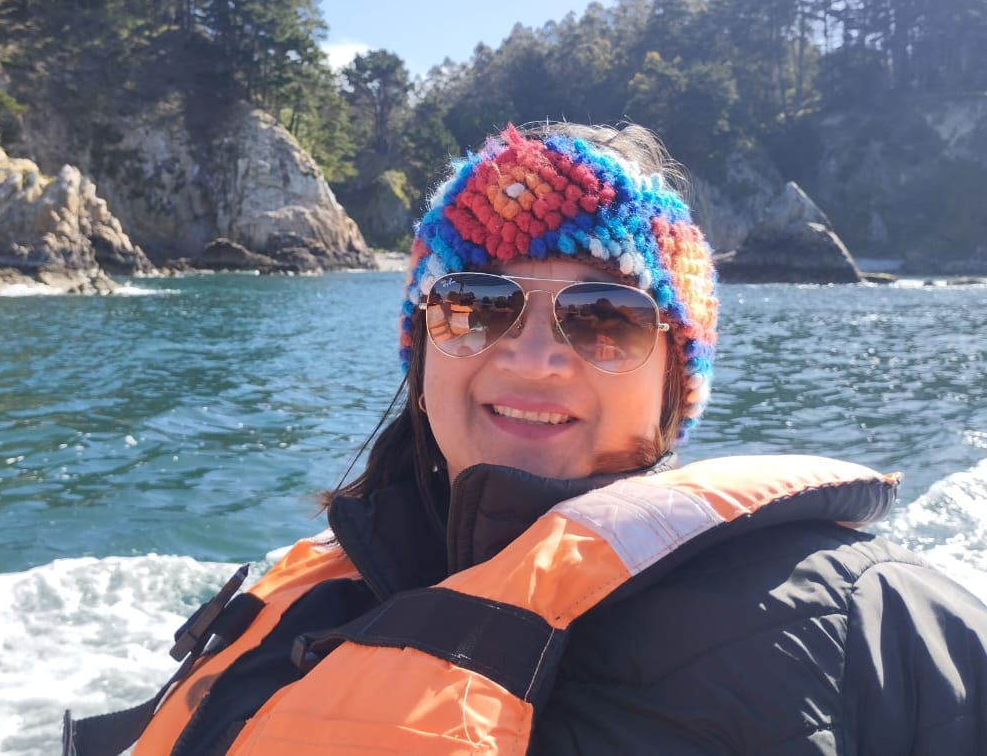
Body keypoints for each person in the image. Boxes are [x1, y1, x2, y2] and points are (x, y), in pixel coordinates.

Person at [65, 122, 987, 755]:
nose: (534, 357)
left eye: (604, 317)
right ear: (424, 346)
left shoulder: (870, 622)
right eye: (477, 303)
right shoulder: (305, 606)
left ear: (675, 380)